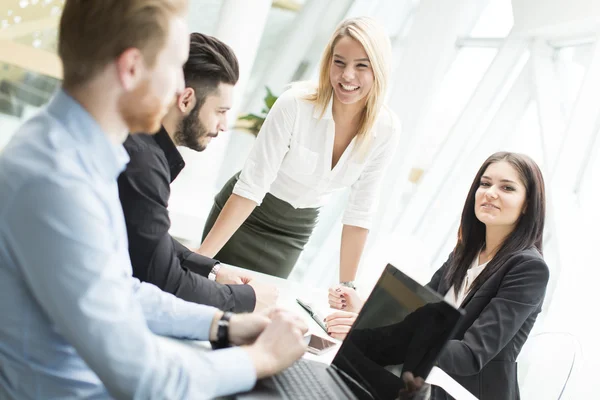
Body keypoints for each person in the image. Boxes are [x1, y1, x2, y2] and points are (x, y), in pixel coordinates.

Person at [0, 1, 307, 399]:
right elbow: (146, 379)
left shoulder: (74, 152)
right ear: (131, 69)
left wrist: (222, 323)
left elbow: (120, 291)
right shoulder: (56, 181)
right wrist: (262, 357)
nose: (178, 91)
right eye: (175, 68)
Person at [326, 152, 549, 400]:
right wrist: (364, 313)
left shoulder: (529, 268)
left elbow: (471, 355)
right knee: (337, 372)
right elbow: (417, 316)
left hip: (465, 391)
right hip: (423, 380)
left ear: (527, 203)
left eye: (507, 187)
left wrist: (384, 331)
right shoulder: (466, 251)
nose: (490, 192)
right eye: (485, 184)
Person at [199, 16, 400, 282]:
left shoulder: (386, 129)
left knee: (256, 314)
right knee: (205, 292)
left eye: (361, 66)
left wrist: (346, 287)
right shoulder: (294, 105)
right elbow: (251, 187)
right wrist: (201, 260)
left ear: (379, 69)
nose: (347, 75)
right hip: (244, 218)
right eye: (338, 62)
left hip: (293, 234)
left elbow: (359, 214)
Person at [118, 32, 278, 313]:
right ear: (187, 100)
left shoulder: (139, 142)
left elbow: (148, 237)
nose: (224, 125)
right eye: (220, 111)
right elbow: (165, 280)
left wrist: (213, 270)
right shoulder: (143, 163)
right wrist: (248, 299)